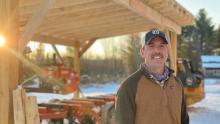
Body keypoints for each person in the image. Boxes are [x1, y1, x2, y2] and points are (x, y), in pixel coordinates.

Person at [115, 29, 189, 124]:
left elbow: (184, 120)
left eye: (161, 46)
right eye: (151, 46)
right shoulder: (129, 86)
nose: (157, 50)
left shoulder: (177, 84)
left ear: (167, 51)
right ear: (142, 52)